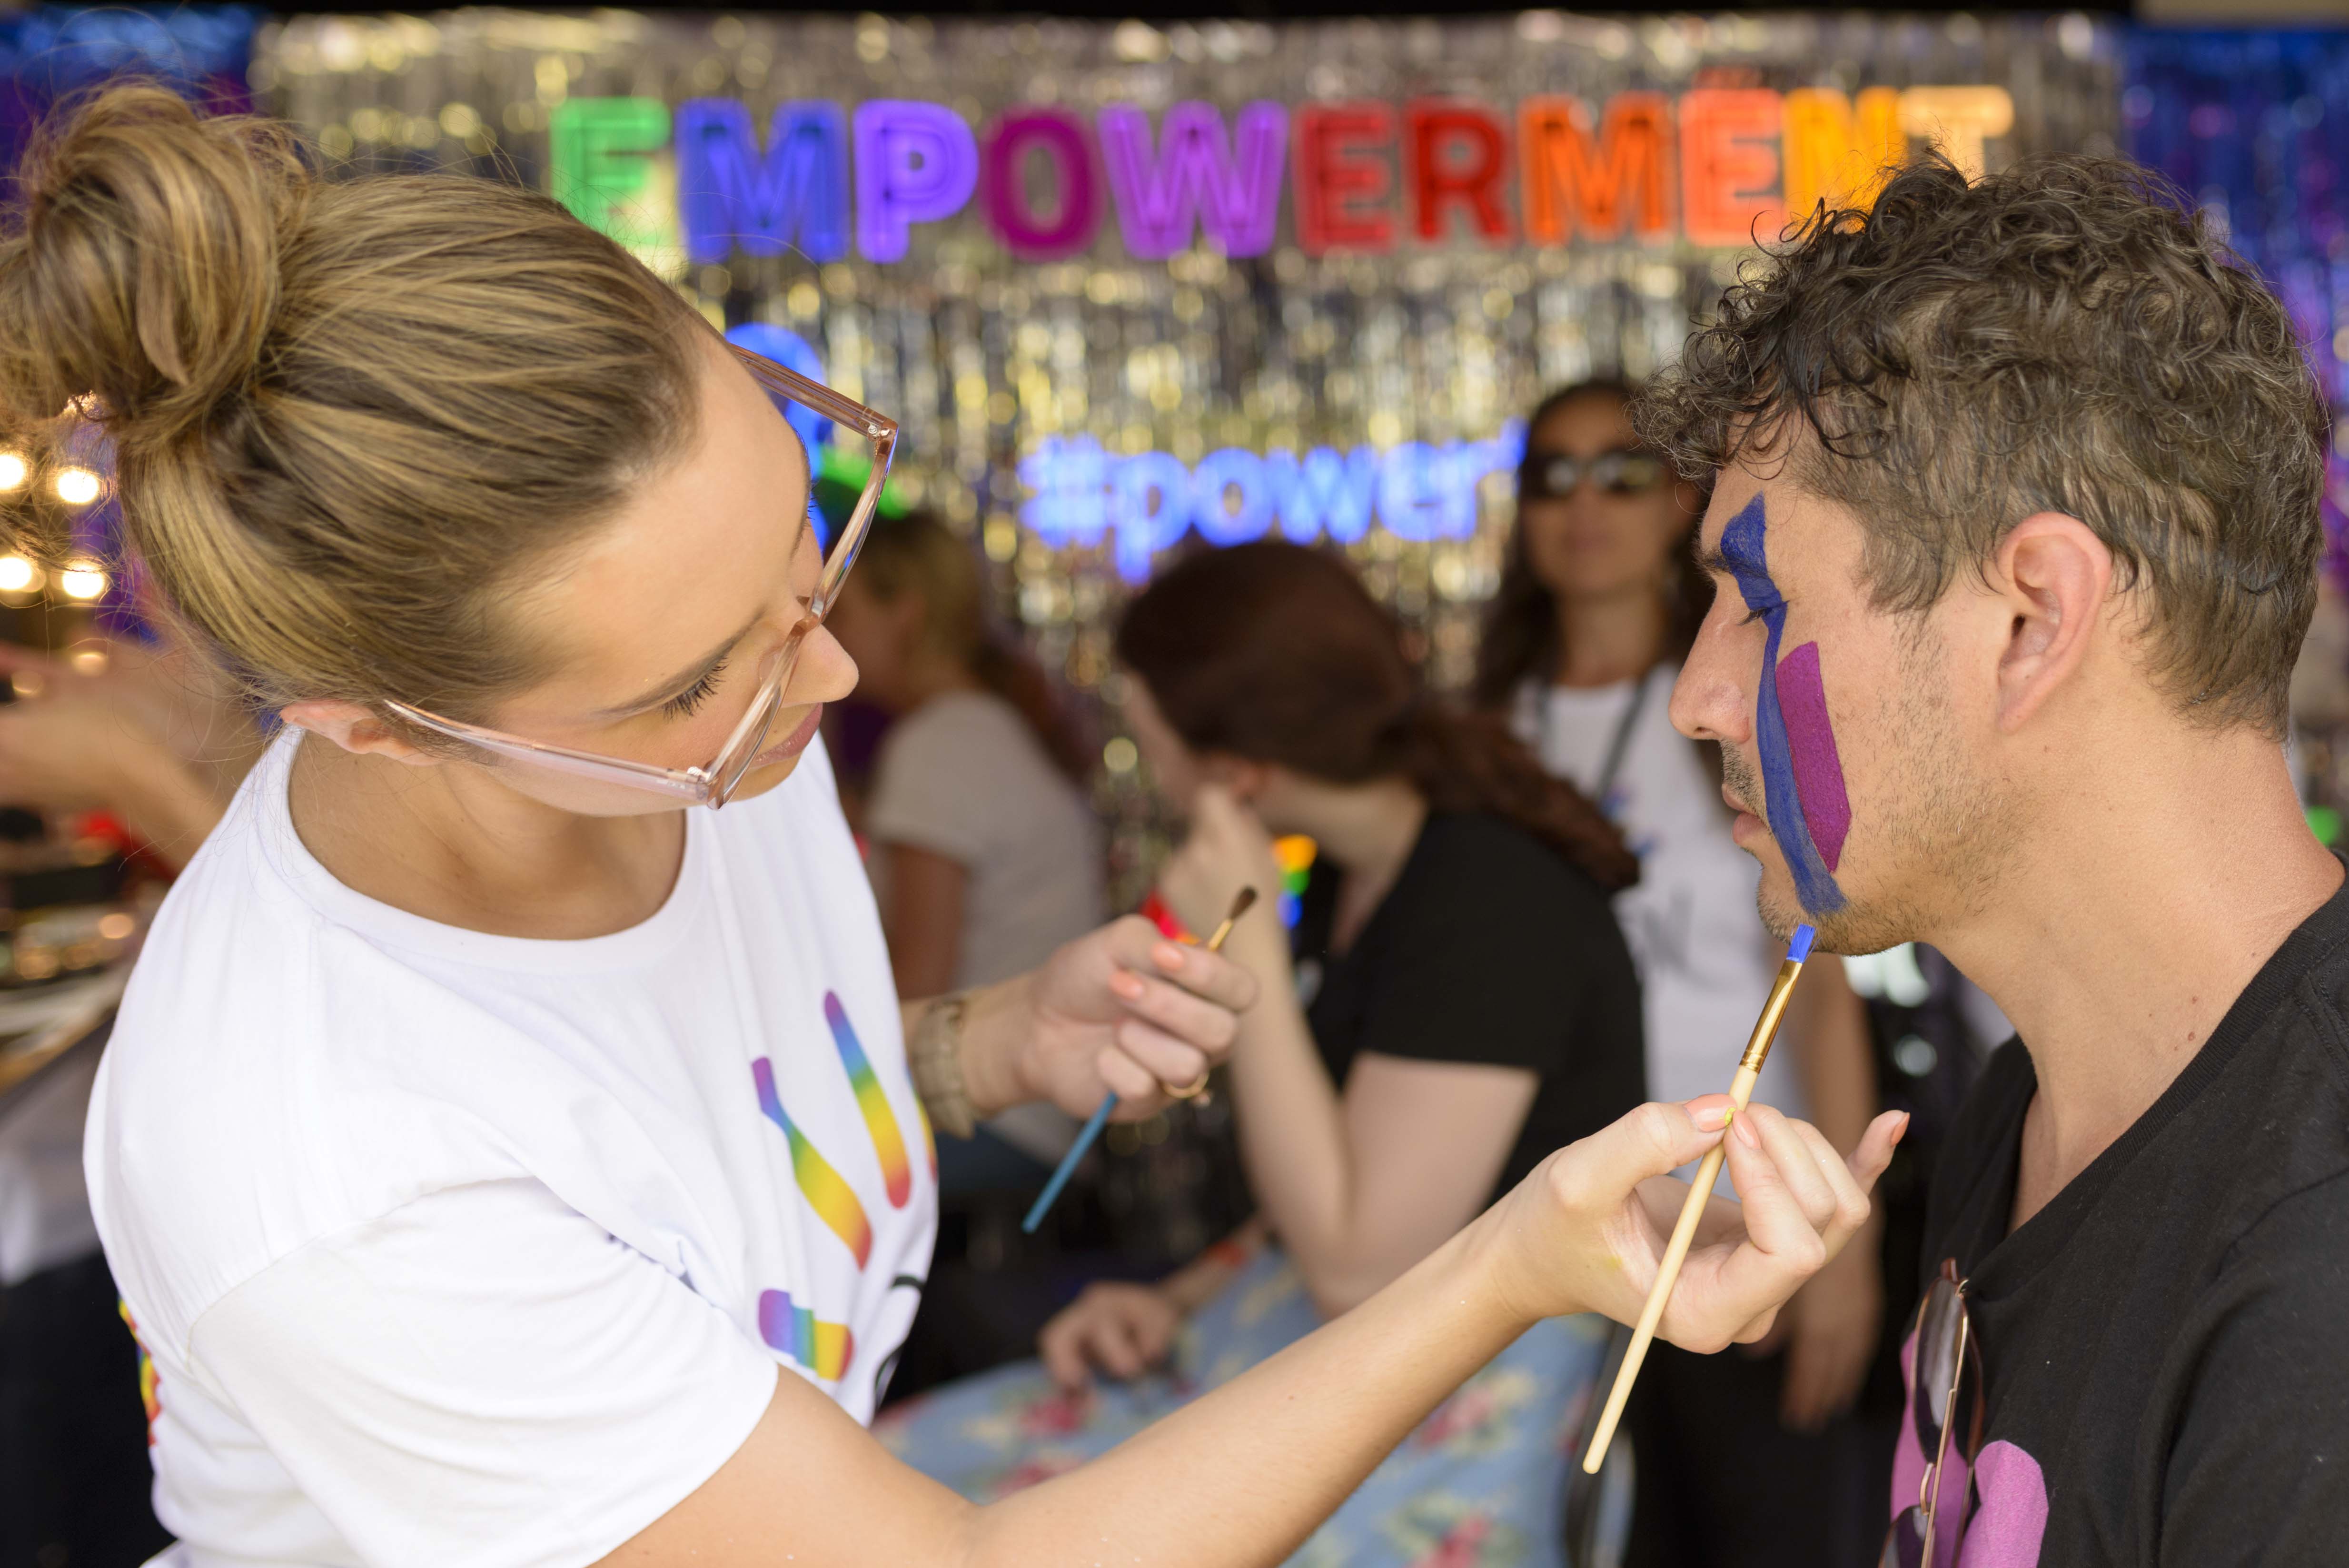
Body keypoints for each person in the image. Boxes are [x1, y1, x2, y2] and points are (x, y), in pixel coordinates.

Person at [13, 88, 1898, 1568]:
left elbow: (673, 1112)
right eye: (703, 682)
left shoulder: (696, 698)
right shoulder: (325, 1159)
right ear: (368, 721)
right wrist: (1516, 1265)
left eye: (802, 544)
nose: (825, 683)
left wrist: (984, 1038)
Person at [1643, 149, 2349, 1563]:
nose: (1697, 696)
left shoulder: (2314, 1283)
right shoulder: (2028, 1107)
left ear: (2033, 618)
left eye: (1758, 598)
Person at [882, 540, 1651, 1565]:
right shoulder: (1354, 875)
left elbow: (1357, 1263)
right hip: (1314, 1346)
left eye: (1151, 739)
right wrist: (1173, 1296)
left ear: (1237, 770)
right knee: (901, 1489)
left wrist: (1246, 950)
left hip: (1442, 1402)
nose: (1148, 773)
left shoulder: (1489, 899)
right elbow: (1322, 1189)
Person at [1475, 383, 1893, 1564]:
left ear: (1676, 502)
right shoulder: (1485, 727)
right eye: (1549, 477)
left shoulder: (1736, 702)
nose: (1582, 505)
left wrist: (1849, 1251)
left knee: (1758, 1528)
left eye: (1617, 471)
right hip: (1547, 1208)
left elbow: (1815, 981)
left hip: (1735, 1202)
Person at [824, 509, 1104, 1171]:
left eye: (840, 616)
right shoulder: (980, 728)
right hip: (1030, 1109)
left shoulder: (939, 747)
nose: (823, 641)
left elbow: (918, 980)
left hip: (990, 1115)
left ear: (907, 614)